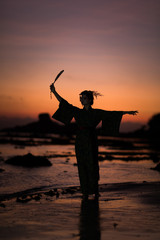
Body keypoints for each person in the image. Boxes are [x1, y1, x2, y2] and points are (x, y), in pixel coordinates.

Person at [50, 83, 138, 200]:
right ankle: (85, 192)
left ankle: (95, 191)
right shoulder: (77, 111)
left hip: (91, 139)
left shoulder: (96, 112)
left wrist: (126, 112)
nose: (82, 100)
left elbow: (110, 114)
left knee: (92, 165)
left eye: (84, 98)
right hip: (80, 140)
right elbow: (64, 103)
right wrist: (54, 91)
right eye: (81, 98)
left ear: (90, 100)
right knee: (81, 166)